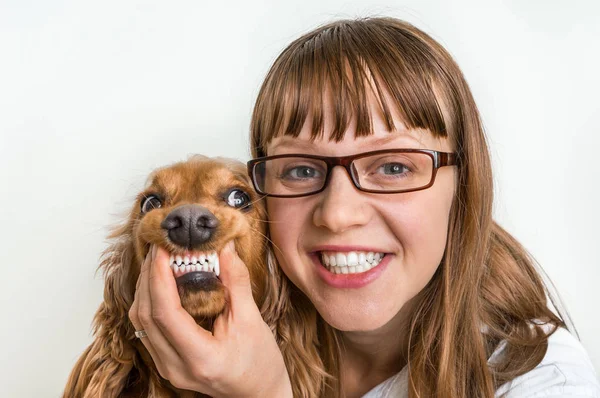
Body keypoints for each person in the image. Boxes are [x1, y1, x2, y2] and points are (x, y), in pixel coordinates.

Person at [128, 17, 600, 397]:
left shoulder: (546, 383)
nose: (337, 214)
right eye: (301, 169)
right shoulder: (239, 316)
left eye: (394, 167)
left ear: (465, 188)